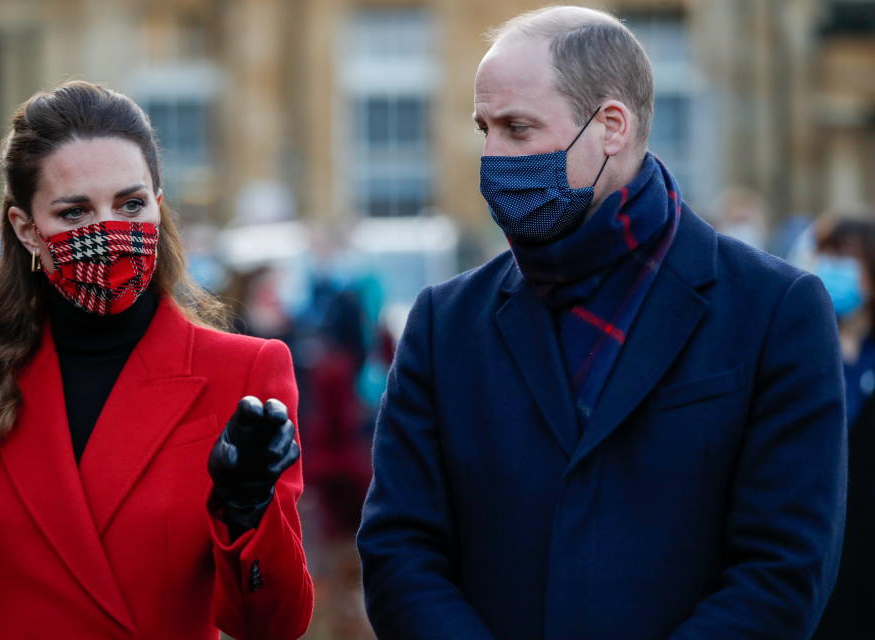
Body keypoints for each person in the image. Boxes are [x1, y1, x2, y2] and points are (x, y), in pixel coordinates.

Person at [357, 6, 846, 640]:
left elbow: (784, 568)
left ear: (610, 126)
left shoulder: (774, 309)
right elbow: (400, 551)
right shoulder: (444, 323)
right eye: (485, 128)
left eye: (518, 128)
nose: (491, 157)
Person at [0, 81, 313, 640]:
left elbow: (274, 624)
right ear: (27, 230)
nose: (110, 231)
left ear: (158, 203)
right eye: (75, 212)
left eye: (130, 203)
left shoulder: (245, 372)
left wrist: (246, 508)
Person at [811, 215, 875, 639]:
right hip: (821, 540)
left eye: (846, 255)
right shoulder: (803, 341)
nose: (834, 266)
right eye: (827, 254)